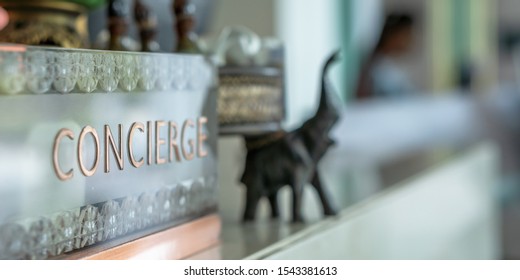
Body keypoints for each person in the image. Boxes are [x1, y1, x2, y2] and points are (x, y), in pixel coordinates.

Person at [355, 13, 415, 100]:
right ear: (395, 34)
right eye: (407, 34)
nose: (411, 40)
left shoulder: (385, 65)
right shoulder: (376, 70)